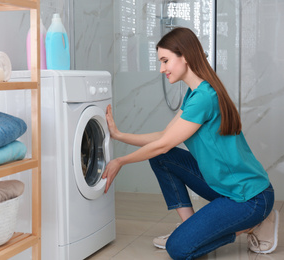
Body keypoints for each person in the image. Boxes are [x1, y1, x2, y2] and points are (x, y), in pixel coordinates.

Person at [102, 27, 279, 259]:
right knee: (161, 158)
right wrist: (119, 135)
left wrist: (120, 161)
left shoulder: (204, 97)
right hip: (224, 186)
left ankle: (254, 224)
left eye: (165, 60)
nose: (161, 68)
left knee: (179, 249)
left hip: (250, 198)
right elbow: (164, 136)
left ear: (184, 56)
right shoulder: (195, 93)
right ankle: (190, 227)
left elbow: (163, 143)